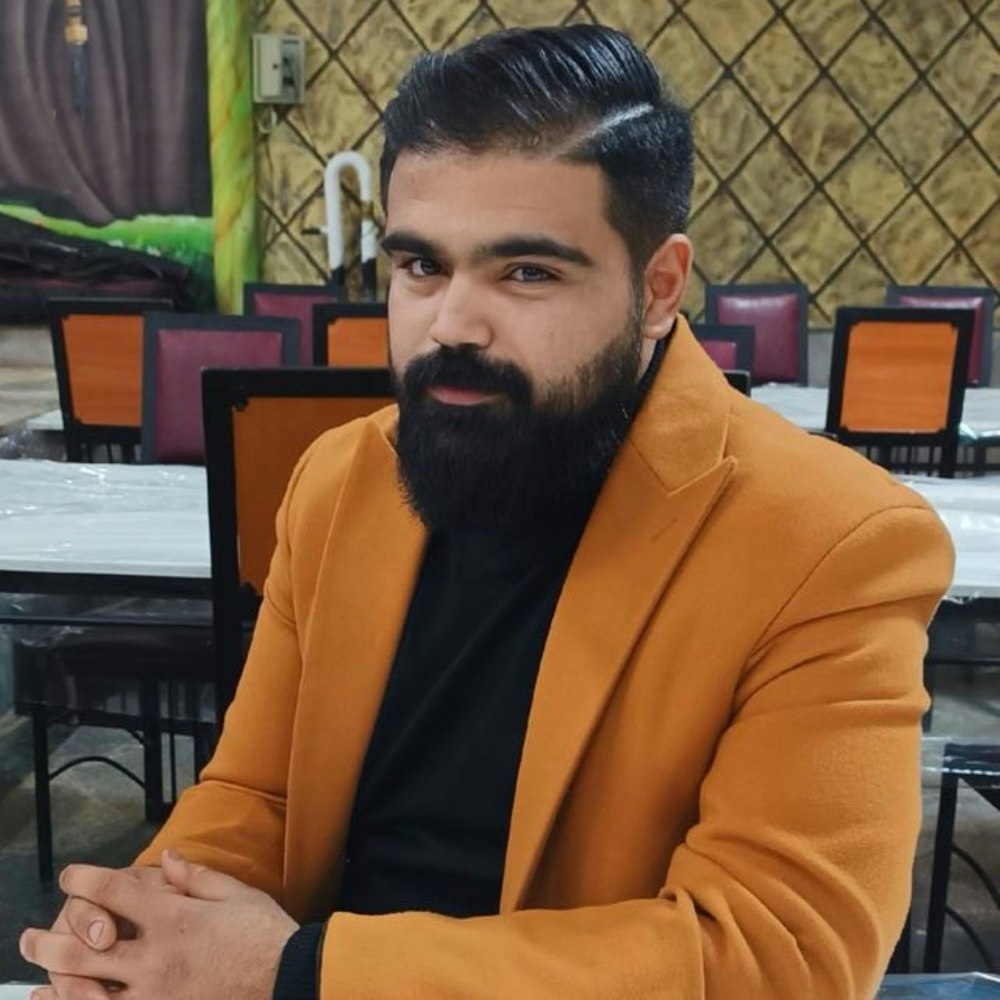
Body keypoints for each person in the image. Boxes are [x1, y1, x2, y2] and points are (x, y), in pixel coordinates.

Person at [20, 24, 952, 1000]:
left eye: (527, 272)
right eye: (421, 266)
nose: (453, 322)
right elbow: (260, 791)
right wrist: (134, 941)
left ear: (657, 287)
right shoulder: (342, 479)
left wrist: (298, 970)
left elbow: (780, 958)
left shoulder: (829, 540)